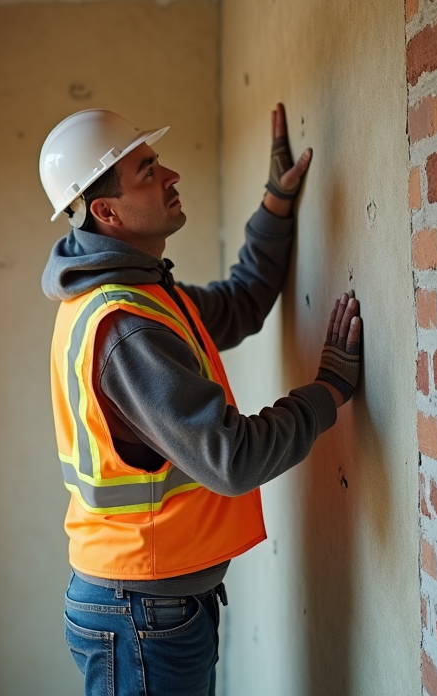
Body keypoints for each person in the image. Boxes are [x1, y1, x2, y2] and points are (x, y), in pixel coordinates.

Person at [39, 105, 362, 696]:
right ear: (105, 210)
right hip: (140, 610)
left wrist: (275, 206)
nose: (171, 176)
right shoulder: (126, 326)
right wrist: (328, 392)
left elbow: (242, 301)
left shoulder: (141, 296)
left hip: (153, 602)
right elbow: (230, 460)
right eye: (147, 170)